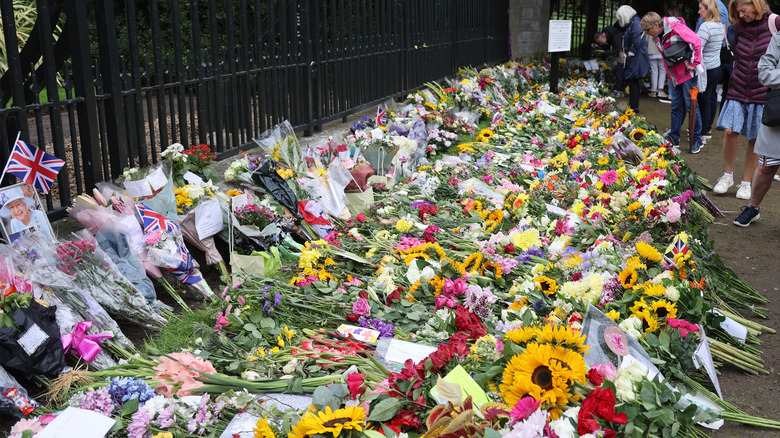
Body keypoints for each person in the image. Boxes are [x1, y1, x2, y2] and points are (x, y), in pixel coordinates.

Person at [712, 0, 780, 200]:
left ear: (756, 4)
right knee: (730, 131)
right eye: (737, 12)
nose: (741, 15)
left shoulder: (775, 21)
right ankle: (727, 176)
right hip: (738, 86)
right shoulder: (739, 27)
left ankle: (746, 182)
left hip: (763, 90)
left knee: (755, 138)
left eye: (743, 10)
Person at [641, 12, 705, 154]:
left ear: (656, 25)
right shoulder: (658, 35)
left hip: (687, 74)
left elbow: (696, 41)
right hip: (674, 77)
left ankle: (697, 139)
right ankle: (674, 137)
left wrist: (694, 64)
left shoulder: (676, 27)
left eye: (648, 30)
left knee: (691, 107)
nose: (648, 34)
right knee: (676, 106)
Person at [734, 31, 780, 226]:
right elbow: (764, 72)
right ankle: (753, 207)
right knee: (767, 165)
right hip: (778, 114)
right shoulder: (779, 38)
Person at [697, 0, 725, 142]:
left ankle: (704, 130)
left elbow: (697, 49)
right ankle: (707, 127)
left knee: (704, 98)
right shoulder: (720, 25)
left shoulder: (705, 26)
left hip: (706, 68)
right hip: (716, 66)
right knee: (712, 96)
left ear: (709, 9)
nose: (699, 11)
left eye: (701, 8)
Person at [619, 5, 649, 112]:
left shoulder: (635, 22)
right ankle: (634, 105)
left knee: (633, 80)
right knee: (634, 81)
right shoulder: (635, 22)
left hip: (635, 55)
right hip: (636, 54)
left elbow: (636, 39)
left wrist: (631, 52)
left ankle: (633, 106)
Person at [593, 23, 626, 97]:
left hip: (623, 54)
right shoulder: (609, 33)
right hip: (621, 53)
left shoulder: (616, 36)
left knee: (619, 70)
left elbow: (618, 50)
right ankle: (619, 89)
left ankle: (619, 90)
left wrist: (604, 52)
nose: (601, 44)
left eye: (600, 42)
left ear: (603, 36)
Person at [646, 31, 667, 98]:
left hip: (651, 51)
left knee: (654, 71)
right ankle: (660, 91)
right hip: (661, 51)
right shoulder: (662, 26)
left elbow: (646, 40)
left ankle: (654, 91)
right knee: (663, 71)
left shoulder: (649, 27)